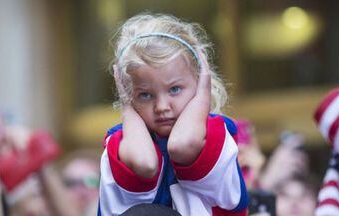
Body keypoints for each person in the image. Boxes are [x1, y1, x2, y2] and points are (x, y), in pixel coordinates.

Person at [98, 13, 248, 215]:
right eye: (145, 95)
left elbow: (182, 146)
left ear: (199, 80)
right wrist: (126, 105)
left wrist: (203, 93)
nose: (161, 106)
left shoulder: (217, 132)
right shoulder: (121, 142)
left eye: (175, 89)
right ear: (127, 93)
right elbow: (145, 164)